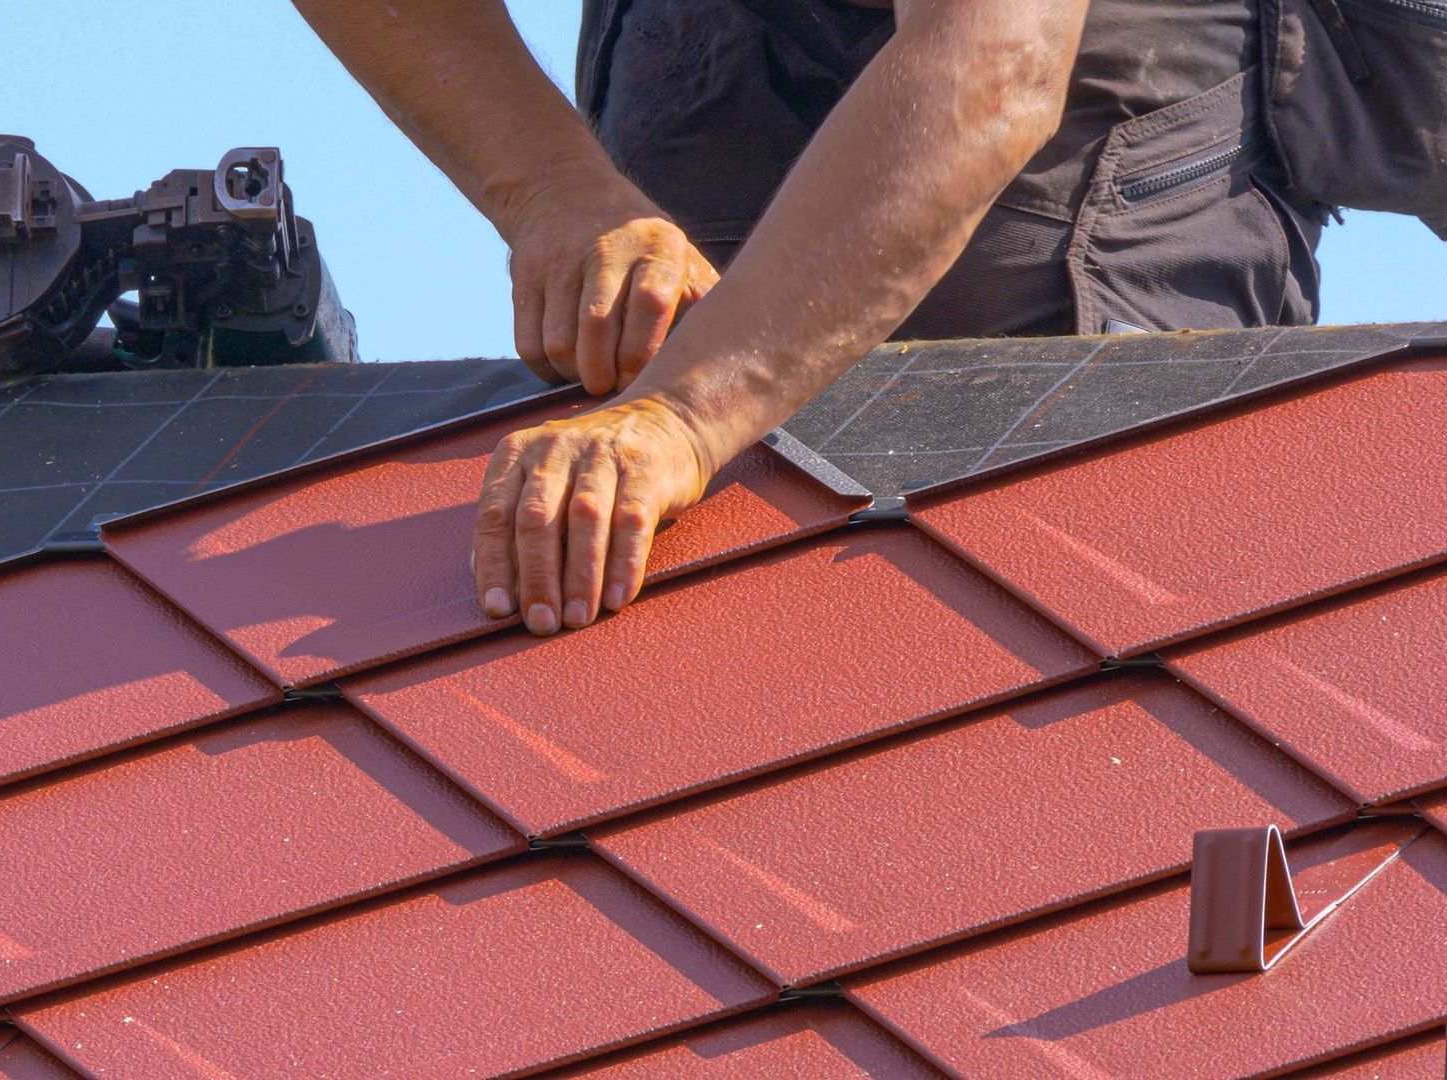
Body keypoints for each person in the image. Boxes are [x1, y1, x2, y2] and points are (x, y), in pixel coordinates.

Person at [293, 0, 1323, 635]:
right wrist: (557, 190)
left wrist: (688, 411)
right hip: (716, 51)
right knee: (694, 588)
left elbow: (994, 66)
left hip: (1081, 152)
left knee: (1054, 606)